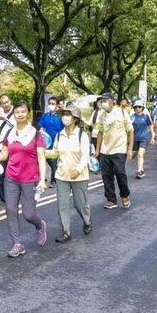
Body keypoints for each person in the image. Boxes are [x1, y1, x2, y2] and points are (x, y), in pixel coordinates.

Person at [0, 101, 48, 257]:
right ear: (13, 115)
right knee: (10, 210)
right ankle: (17, 244)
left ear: (28, 113)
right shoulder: (10, 134)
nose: (20, 114)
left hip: (29, 179)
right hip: (11, 178)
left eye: (23, 111)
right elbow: (4, 155)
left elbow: (41, 158)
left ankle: (40, 225)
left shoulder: (36, 135)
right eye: (17, 112)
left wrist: (42, 180)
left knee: (29, 214)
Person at [49, 103, 91, 243]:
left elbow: (85, 155)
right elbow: (55, 152)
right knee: (62, 204)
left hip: (79, 176)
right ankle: (66, 231)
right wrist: (42, 152)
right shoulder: (59, 135)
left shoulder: (82, 135)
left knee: (80, 204)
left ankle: (87, 220)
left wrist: (78, 170)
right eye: (64, 115)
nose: (65, 117)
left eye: (68, 115)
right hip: (62, 175)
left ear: (75, 118)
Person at [95, 92, 134, 209]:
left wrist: (130, 149)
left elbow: (130, 131)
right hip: (105, 150)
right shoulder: (102, 116)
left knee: (120, 173)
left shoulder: (122, 112)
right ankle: (111, 199)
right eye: (102, 101)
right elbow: (100, 133)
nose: (103, 103)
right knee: (106, 176)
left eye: (105, 100)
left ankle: (125, 195)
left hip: (119, 148)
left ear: (113, 101)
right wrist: (97, 149)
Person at [0, 94, 15, 204]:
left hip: (13, 147)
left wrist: (5, 119)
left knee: (12, 173)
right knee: (1, 173)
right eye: (3, 103)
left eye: (7, 102)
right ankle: (3, 198)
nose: (6, 105)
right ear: (0, 105)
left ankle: (13, 195)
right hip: (0, 147)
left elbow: (18, 127)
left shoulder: (16, 113)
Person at [38, 95, 63, 187]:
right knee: (44, 159)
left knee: (53, 161)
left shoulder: (60, 116)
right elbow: (42, 127)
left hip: (57, 142)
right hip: (46, 143)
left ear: (57, 105)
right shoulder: (45, 116)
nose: (51, 105)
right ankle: (44, 178)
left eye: (53, 104)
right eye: (49, 103)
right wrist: (41, 131)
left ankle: (53, 180)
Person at [130, 99, 155, 179]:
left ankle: (140, 171)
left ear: (142, 108)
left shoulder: (146, 116)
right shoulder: (131, 117)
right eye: (136, 107)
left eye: (139, 107)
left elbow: (151, 126)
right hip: (134, 139)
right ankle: (141, 169)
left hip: (144, 138)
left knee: (140, 154)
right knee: (133, 155)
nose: (137, 108)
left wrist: (153, 135)